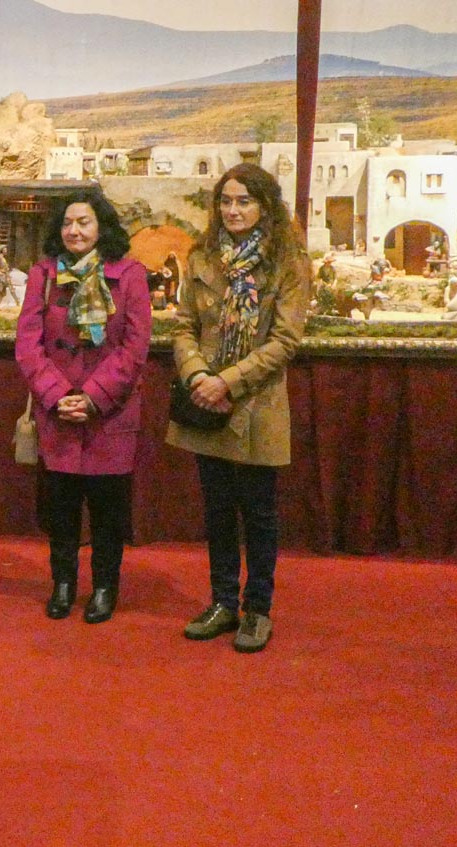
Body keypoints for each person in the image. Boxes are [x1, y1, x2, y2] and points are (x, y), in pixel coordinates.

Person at [166, 163, 309, 653]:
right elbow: (183, 326)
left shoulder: (288, 261)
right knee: (218, 511)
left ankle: (257, 610)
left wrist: (227, 380)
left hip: (257, 404)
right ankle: (223, 601)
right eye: (226, 201)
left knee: (260, 514)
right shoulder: (202, 255)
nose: (233, 210)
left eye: (244, 201)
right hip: (206, 403)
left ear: (266, 206)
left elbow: (286, 339)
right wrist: (198, 377)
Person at [15, 190, 152, 623]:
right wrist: (57, 397)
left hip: (110, 413)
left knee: (108, 511)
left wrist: (93, 397)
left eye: (84, 222)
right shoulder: (44, 275)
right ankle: (63, 583)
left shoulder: (129, 274)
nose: (74, 230)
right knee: (61, 508)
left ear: (102, 227)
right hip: (58, 414)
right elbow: (28, 343)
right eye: (67, 223)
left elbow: (135, 346)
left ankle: (105, 587)